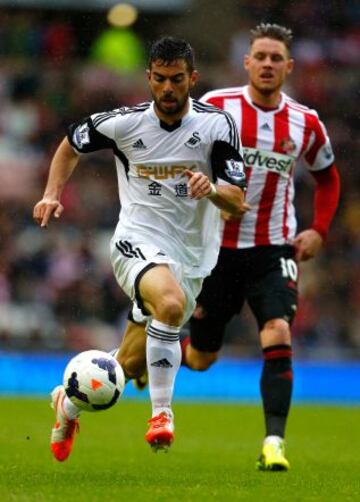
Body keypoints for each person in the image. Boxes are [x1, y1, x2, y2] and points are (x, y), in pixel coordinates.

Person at [115, 24, 340, 471]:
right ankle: (148, 354)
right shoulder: (218, 107)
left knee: (277, 330)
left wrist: (319, 229)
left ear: (288, 67)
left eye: (277, 58)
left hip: (273, 248)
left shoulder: (306, 121)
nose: (268, 64)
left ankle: (274, 442)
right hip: (213, 251)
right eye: (261, 56)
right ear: (247, 62)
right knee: (199, 357)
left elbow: (327, 176)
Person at [33, 36, 247, 461]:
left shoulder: (217, 126)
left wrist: (212, 192)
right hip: (137, 239)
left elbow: (237, 201)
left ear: (193, 79)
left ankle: (68, 404)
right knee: (168, 305)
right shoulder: (124, 123)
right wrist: (52, 192)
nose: (168, 88)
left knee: (128, 365)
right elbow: (70, 144)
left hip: (192, 256)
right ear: (149, 77)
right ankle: (162, 416)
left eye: (178, 80)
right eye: (161, 79)